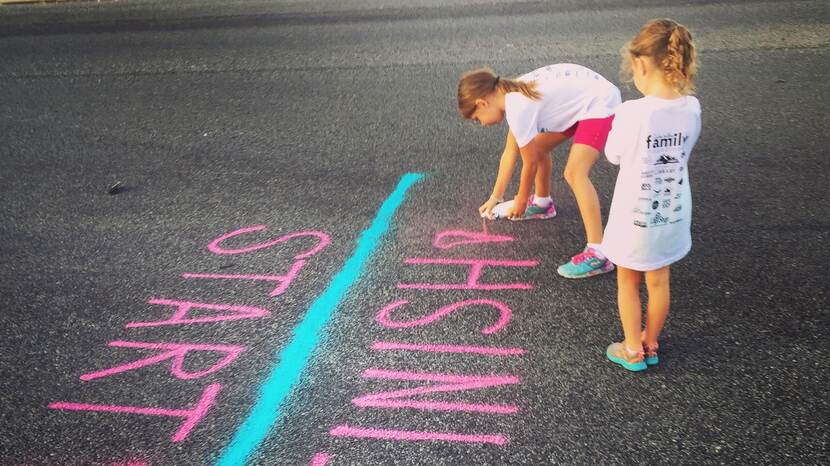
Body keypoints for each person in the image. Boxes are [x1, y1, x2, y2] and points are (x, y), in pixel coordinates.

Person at [457, 63, 621, 279]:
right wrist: (495, 197)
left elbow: (530, 162)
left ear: (482, 102)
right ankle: (543, 203)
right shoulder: (511, 93)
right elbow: (510, 153)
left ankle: (598, 253)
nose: (482, 124)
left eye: (477, 119)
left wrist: (521, 200)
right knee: (540, 147)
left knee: (574, 173)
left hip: (599, 104)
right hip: (580, 103)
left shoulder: (517, 105)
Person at [602, 19, 701, 371]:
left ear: (641, 64)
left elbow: (613, 155)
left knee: (628, 280)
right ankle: (651, 341)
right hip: (672, 211)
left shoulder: (633, 113)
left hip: (635, 215)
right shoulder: (692, 107)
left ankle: (631, 349)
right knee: (659, 281)